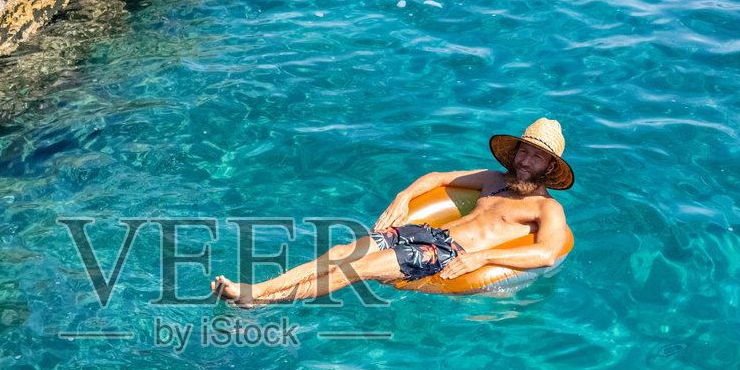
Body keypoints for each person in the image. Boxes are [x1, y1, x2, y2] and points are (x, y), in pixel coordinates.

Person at [211, 117, 574, 306]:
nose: (525, 160)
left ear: (549, 167)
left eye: (536, 157)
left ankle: (257, 295)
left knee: (357, 268)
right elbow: (438, 177)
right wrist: (403, 197)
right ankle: (258, 293)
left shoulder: (547, 207)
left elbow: (546, 253)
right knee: (342, 252)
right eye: (524, 151)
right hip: (427, 234)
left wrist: (482, 258)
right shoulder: (493, 179)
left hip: (449, 253)